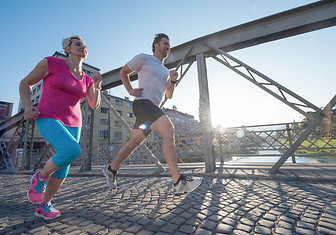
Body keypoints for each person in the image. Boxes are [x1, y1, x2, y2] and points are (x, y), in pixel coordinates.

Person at [102, 33, 202, 195]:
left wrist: (173, 81)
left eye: (169, 45)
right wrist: (130, 90)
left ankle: (111, 169)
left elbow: (169, 94)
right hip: (142, 104)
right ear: (156, 45)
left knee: (133, 143)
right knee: (168, 129)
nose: (168, 47)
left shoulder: (164, 71)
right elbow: (123, 72)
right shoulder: (143, 58)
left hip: (151, 108)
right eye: (165, 44)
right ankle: (178, 181)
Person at [19, 35, 103, 220]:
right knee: (71, 149)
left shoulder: (87, 79)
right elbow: (25, 83)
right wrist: (27, 106)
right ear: (68, 48)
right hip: (48, 116)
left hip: (74, 122)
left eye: (85, 45)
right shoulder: (52, 63)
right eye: (78, 44)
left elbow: (94, 104)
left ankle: (43, 205)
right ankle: (40, 177)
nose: (83, 47)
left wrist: (97, 85)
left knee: (63, 167)